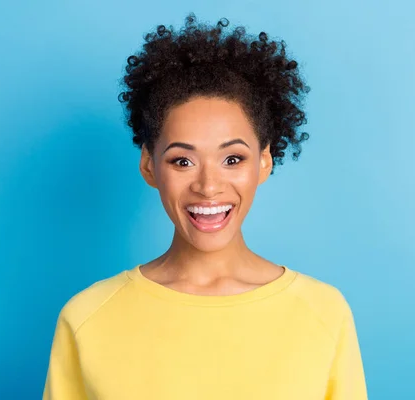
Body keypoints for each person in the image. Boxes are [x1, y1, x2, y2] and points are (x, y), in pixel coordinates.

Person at [42, 13, 368, 400]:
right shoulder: (87, 317)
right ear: (149, 165)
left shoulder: (323, 312)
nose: (208, 186)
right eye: (183, 161)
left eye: (233, 159)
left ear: (264, 162)